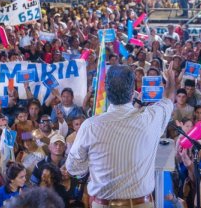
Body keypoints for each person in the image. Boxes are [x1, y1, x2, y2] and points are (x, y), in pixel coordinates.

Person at [66, 63, 176, 207]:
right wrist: (171, 81)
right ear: (133, 92)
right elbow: (168, 99)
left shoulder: (90, 126)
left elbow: (74, 168)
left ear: (106, 91)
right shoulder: (150, 118)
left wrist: (93, 164)